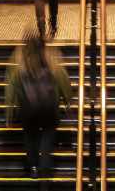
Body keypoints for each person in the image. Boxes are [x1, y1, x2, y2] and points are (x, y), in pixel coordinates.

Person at [5, 34, 72, 181]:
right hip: (48, 109)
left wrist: (10, 110)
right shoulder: (51, 58)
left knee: (30, 137)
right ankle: (45, 166)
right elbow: (63, 81)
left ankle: (33, 168)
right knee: (47, 138)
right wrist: (67, 101)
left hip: (29, 109)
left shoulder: (19, 61)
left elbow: (11, 87)